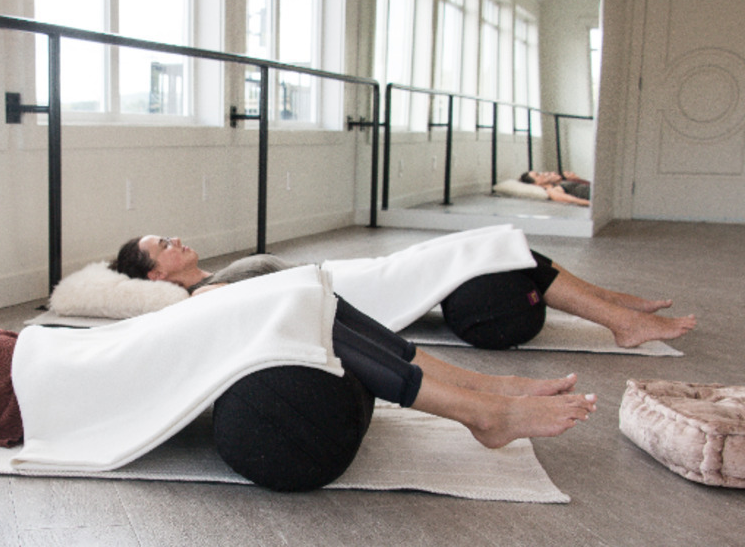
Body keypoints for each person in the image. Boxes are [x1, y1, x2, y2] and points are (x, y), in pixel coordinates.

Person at [0, 299, 596, 515]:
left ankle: (483, 394)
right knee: (281, 302)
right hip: (71, 386)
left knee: (301, 292)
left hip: (76, 353)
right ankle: (478, 412)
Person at [112, 235, 697, 349]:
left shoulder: (218, 274)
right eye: (164, 244)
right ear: (156, 275)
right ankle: (620, 319)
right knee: (486, 244)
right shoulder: (207, 293)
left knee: (496, 242)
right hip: (348, 288)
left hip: (354, 269)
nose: (176, 239)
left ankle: (616, 306)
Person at [520, 170, 591, 207]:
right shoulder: (551, 191)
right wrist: (593, 205)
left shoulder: (556, 184)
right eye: (537, 175)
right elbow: (573, 200)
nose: (542, 174)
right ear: (535, 184)